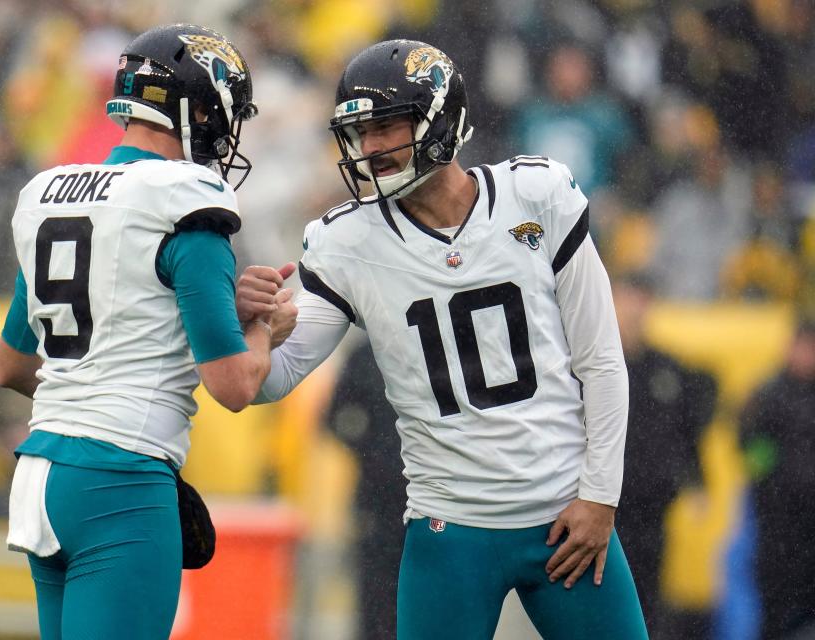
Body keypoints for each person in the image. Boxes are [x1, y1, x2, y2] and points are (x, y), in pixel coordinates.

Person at [236, 40, 648, 639]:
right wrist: (256, 333)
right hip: (450, 528)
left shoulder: (537, 196)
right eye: (360, 133)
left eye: (385, 127)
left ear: (440, 118)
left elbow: (602, 361)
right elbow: (271, 382)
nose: (370, 149)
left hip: (565, 516)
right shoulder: (347, 242)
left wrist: (600, 497)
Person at [0, 24, 296, 640]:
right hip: (120, 480)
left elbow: (12, 365)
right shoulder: (185, 198)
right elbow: (234, 386)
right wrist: (263, 331)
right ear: (192, 109)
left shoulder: (50, 193)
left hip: (39, 472)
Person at [612, 272, 718, 638]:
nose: (636, 309)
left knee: (646, 601)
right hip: (602, 506)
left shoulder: (666, 368)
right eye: (628, 298)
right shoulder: (591, 364)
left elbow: (688, 432)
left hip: (653, 507)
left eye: (643, 299)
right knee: (600, 598)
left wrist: (697, 481)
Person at [323, 338, 405, 640]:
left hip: (427, 497)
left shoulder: (425, 341)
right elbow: (333, 418)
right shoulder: (366, 354)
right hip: (379, 500)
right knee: (376, 598)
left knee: (426, 593)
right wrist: (374, 452)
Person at [740, 318, 815, 640]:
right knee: (775, 606)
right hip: (779, 526)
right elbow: (752, 453)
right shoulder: (768, 396)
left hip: (808, 526)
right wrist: (784, 483)